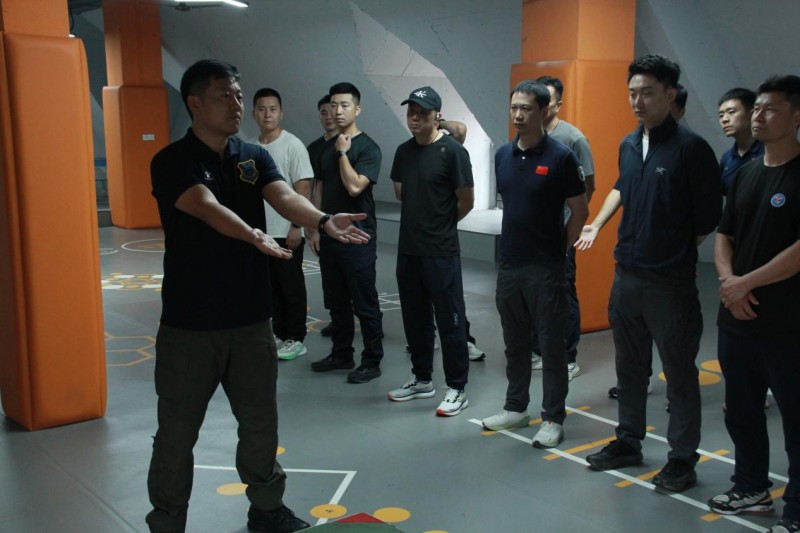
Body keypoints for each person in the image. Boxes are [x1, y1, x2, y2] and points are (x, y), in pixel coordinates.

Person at [146, 59, 369, 533]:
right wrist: (252, 234)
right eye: (224, 96)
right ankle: (167, 521)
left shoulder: (251, 156)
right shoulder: (172, 160)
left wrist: (322, 220)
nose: (237, 104)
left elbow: (284, 196)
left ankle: (266, 509)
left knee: (260, 423)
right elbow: (205, 206)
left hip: (250, 320)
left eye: (238, 95)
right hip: (191, 326)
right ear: (194, 103)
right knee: (177, 433)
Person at [577, 54, 721, 492]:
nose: (638, 102)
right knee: (630, 367)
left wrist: (670, 250)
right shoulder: (628, 144)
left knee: (679, 374)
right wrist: (598, 225)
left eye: (648, 93)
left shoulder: (691, 148)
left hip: (669, 283)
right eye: (633, 93)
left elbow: (707, 217)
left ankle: (682, 459)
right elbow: (624, 188)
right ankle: (629, 440)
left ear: (670, 94)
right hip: (628, 276)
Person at [707, 75, 800, 533]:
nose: (759, 116)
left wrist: (746, 283)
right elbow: (724, 235)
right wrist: (730, 283)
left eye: (771, 108)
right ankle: (751, 488)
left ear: (797, 117)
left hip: (787, 323)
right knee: (741, 411)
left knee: (796, 418)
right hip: (737, 319)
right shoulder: (745, 173)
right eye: (757, 108)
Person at [481, 80, 588, 447]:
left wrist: (561, 250)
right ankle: (515, 407)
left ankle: (553, 417)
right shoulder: (502, 155)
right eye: (514, 107)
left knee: (552, 346)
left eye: (525, 108)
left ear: (543, 112)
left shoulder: (561, 156)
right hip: (510, 264)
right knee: (515, 342)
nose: (517, 115)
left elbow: (579, 211)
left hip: (546, 267)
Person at [386, 86, 475, 416]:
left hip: (441, 252)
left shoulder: (453, 152)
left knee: (450, 321)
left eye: (422, 113)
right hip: (409, 250)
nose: (415, 118)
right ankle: (422, 379)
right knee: (415, 318)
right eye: (411, 112)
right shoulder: (403, 151)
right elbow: (400, 192)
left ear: (437, 116)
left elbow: (466, 201)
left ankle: (457, 388)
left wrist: (441, 225)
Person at [308, 82, 384, 384]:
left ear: (357, 109)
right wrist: (316, 226)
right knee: (336, 300)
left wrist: (342, 153)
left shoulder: (368, 147)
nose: (337, 111)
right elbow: (319, 187)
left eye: (344, 105)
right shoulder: (325, 146)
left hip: (359, 236)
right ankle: (341, 353)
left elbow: (354, 187)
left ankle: (372, 360)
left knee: (364, 302)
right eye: (334, 105)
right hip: (331, 234)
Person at [529, 75, 596, 381]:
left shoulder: (573, 139)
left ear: (558, 104)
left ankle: (568, 357)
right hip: (532, 232)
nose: (541, 107)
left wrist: (573, 226)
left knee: (564, 291)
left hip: (561, 231)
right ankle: (537, 350)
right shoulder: (528, 136)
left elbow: (588, 186)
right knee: (533, 291)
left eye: (548, 101)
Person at [251, 88, 314, 361]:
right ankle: (279, 334)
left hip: (286, 231)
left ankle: (297, 338)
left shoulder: (292, 145)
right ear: (254, 113)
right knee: (271, 288)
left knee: (291, 287)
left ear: (281, 113)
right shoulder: (251, 148)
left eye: (273, 109)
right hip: (261, 233)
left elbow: (303, 187)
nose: (267, 114)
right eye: (262, 109)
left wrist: (296, 225)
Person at [307, 95, 339, 338]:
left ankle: (369, 318)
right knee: (330, 276)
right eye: (323, 112)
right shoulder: (314, 148)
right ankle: (337, 319)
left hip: (349, 220)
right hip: (324, 220)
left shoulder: (350, 143)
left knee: (356, 278)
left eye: (332, 111)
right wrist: (314, 225)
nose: (328, 117)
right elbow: (315, 187)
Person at [718, 87, 765, 195]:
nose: (724, 119)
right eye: (721, 115)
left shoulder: (770, 151)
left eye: (731, 112)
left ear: (752, 114)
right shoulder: (726, 158)